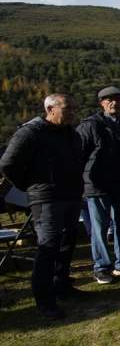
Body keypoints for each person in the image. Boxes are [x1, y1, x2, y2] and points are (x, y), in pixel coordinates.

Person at [0, 94, 84, 319]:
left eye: (74, 108)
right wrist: (30, 185)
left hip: (71, 195)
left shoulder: (71, 134)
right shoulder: (30, 133)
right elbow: (8, 163)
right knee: (48, 247)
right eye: (68, 108)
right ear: (50, 109)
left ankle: (62, 286)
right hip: (46, 199)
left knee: (67, 243)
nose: (72, 112)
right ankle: (45, 300)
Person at [77, 86, 120, 284]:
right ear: (102, 103)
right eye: (109, 100)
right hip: (97, 185)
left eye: (118, 99)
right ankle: (102, 267)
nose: (114, 103)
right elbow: (78, 154)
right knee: (99, 228)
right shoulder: (90, 125)